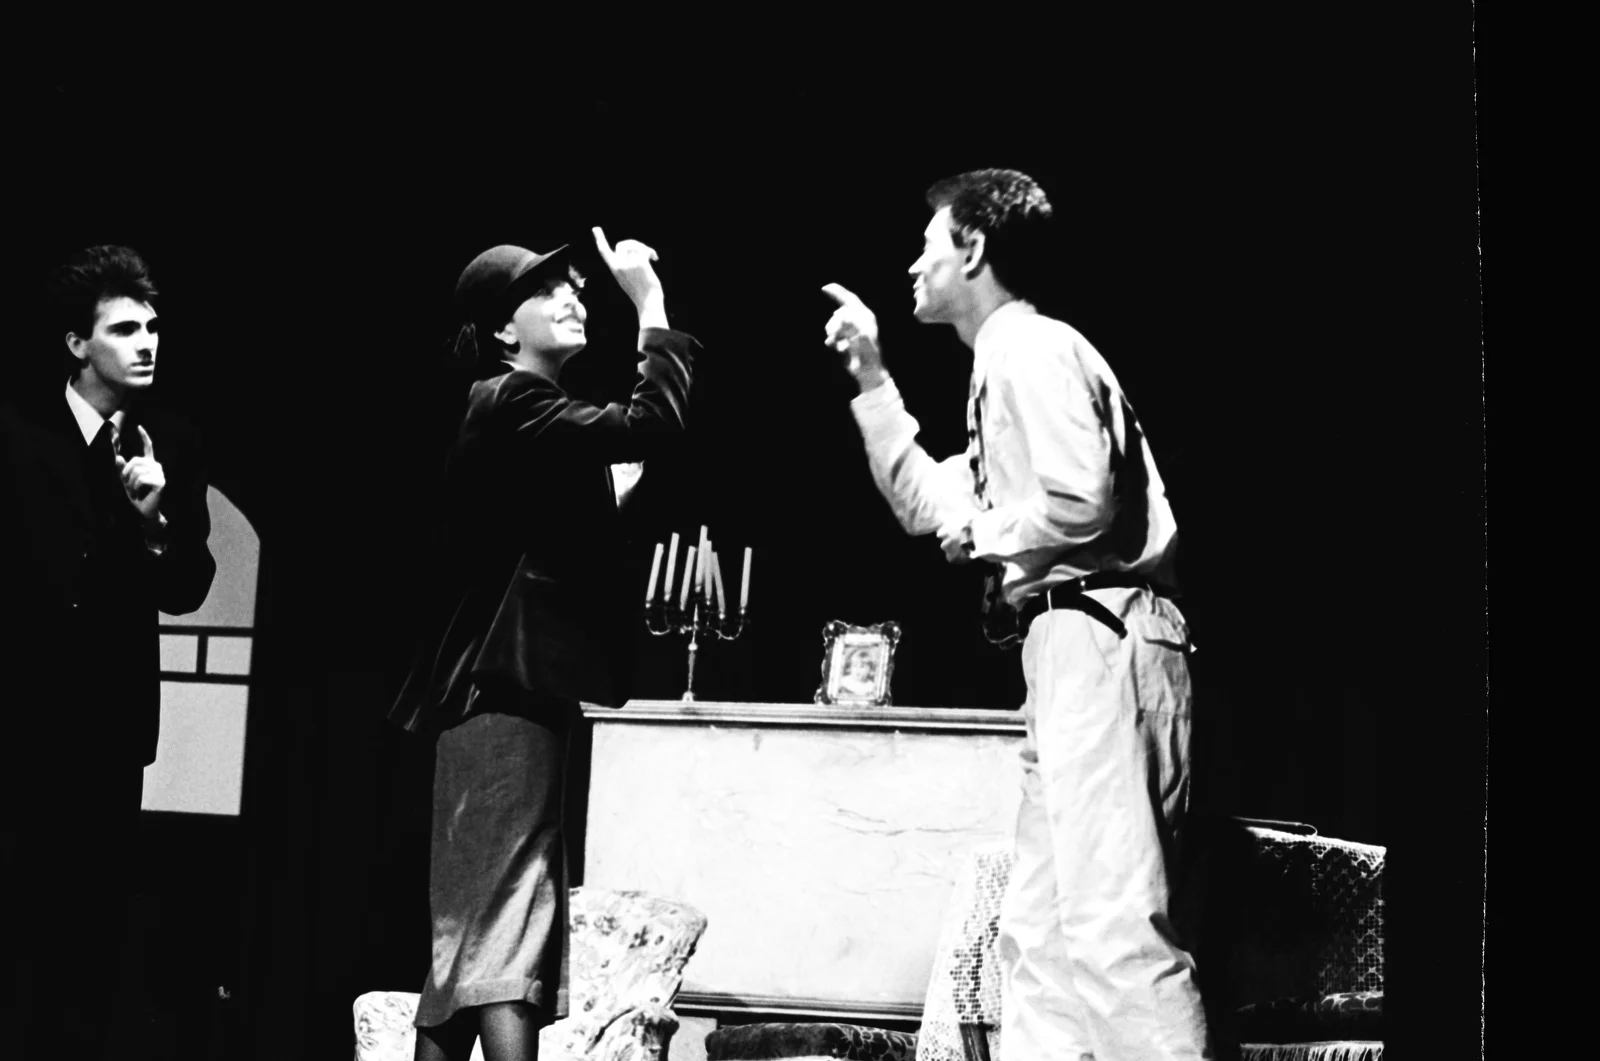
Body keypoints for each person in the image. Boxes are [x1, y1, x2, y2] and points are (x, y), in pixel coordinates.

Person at [823, 170, 1212, 1060]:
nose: (913, 263)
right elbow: (931, 506)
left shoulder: (1030, 350)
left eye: (928, 243)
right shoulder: (1002, 364)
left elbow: (1080, 501)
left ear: (973, 249)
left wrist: (987, 533)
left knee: (1113, 932)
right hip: (1065, 640)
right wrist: (873, 378)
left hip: (1101, 632)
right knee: (1041, 938)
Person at [388, 227, 698, 1061]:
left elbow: (532, 546)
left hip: (493, 695)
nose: (574, 296)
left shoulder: (518, 413)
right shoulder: (513, 397)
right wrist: (651, 304)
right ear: (502, 327)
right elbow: (654, 421)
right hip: (501, 693)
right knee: (507, 920)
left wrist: (609, 501)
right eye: (548, 288)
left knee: (474, 934)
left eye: (577, 286)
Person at [0, 245, 217, 1059]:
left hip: (111, 728)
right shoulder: (18, 438)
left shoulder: (172, 443)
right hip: (22, 725)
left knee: (92, 934)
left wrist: (154, 520)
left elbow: (188, 587)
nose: (146, 342)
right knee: (19, 929)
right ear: (77, 343)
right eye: (124, 329)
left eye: (152, 327)